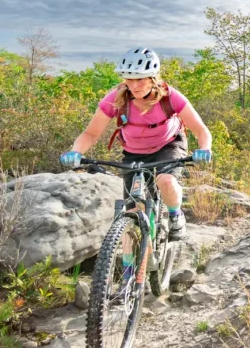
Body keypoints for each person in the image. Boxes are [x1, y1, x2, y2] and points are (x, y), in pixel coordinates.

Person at [60, 47, 212, 240]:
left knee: (165, 181)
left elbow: (200, 130)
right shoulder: (115, 99)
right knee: (132, 209)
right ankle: (129, 267)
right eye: (129, 79)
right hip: (134, 151)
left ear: (153, 78)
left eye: (140, 79)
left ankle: (175, 215)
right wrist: (75, 152)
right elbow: (90, 133)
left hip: (168, 145)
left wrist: (204, 149)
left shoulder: (170, 97)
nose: (134, 85)